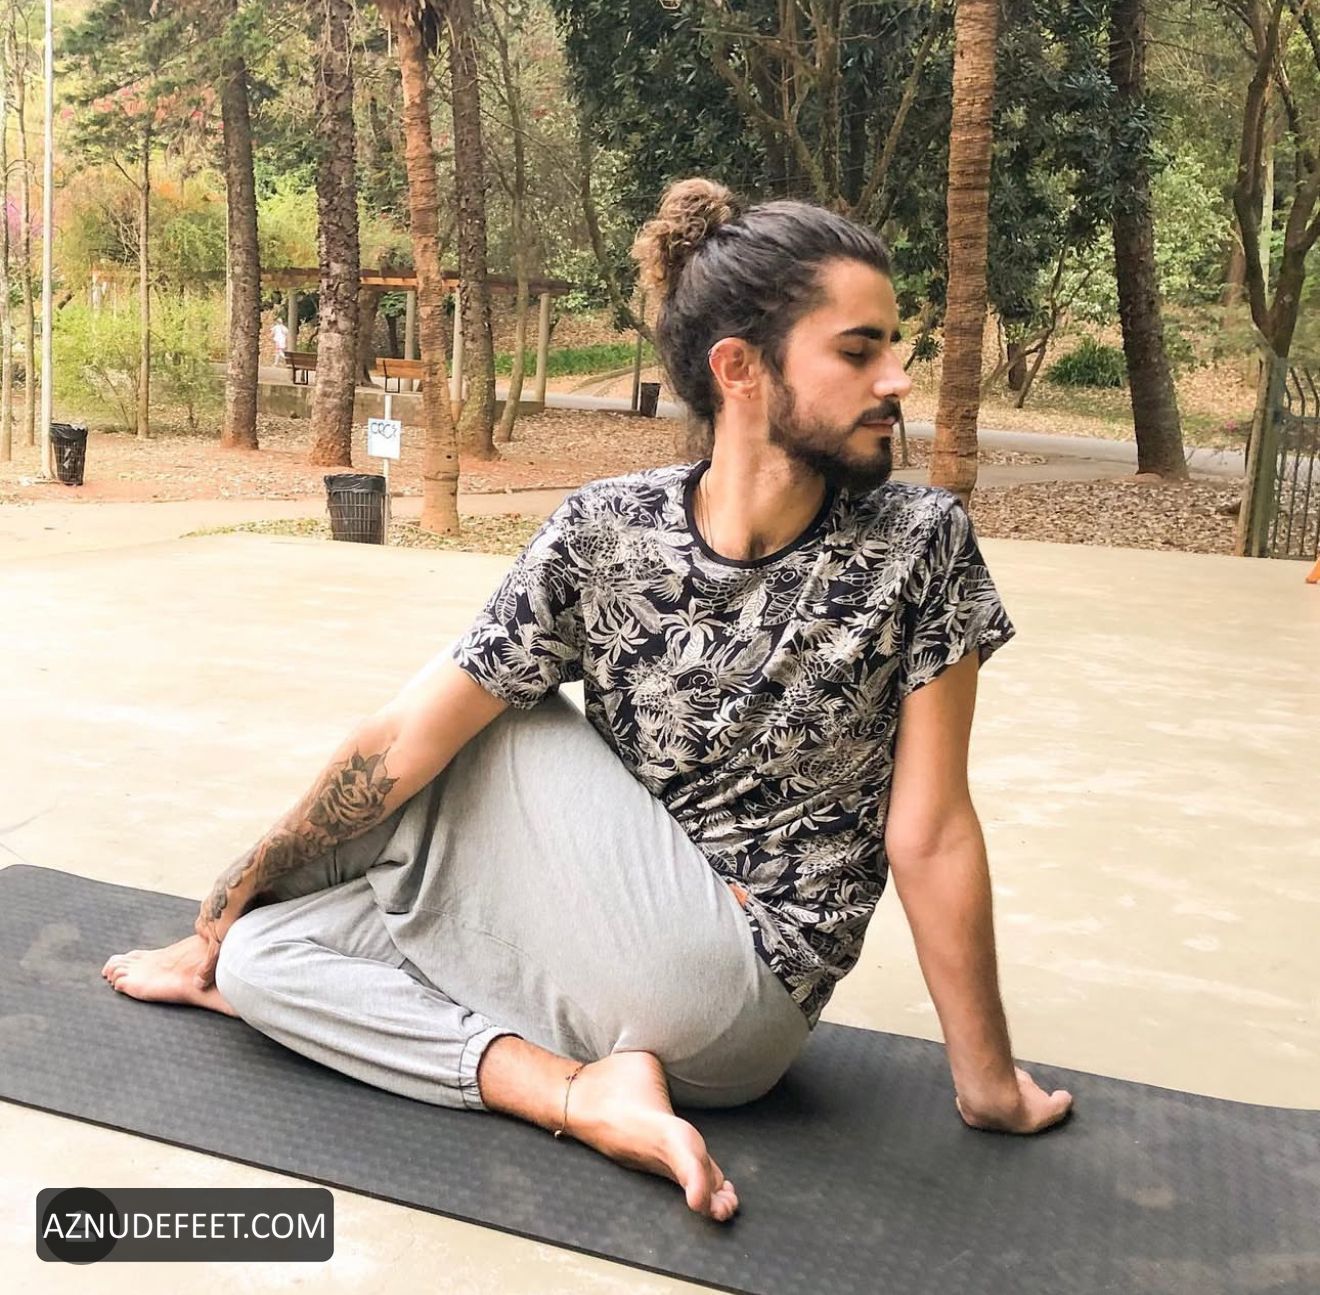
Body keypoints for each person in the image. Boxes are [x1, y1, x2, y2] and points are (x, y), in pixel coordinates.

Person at [100, 178, 1073, 1224]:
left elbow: (929, 830)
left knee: (479, 725)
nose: (897, 378)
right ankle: (570, 1090)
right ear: (739, 369)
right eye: (859, 350)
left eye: (894, 347)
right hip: (596, 950)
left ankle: (222, 922)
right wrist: (232, 931)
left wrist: (988, 1079)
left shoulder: (918, 541)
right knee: (267, 961)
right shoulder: (607, 528)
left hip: (737, 987)